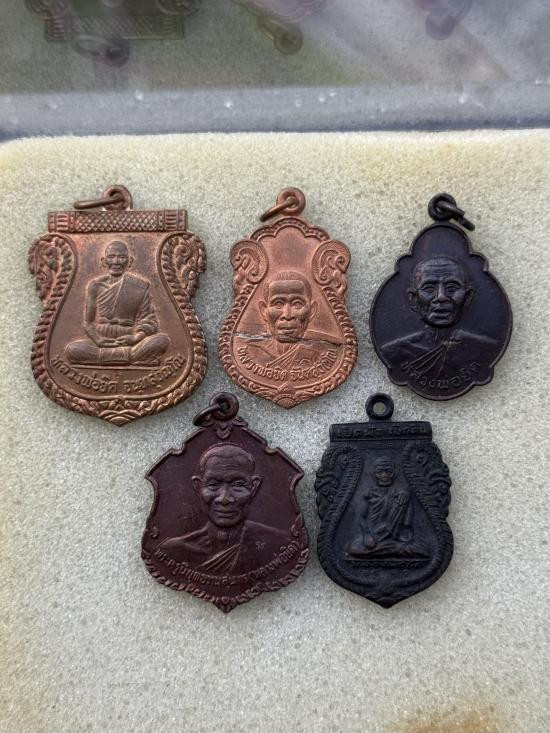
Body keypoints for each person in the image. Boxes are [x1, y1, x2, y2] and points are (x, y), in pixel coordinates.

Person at [158, 444, 290, 574]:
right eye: (213, 484)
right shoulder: (175, 550)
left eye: (238, 484)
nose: (224, 498)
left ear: (254, 487)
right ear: (198, 487)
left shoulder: (277, 543)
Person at [381, 257, 498, 380]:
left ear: (467, 297)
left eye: (452, 288)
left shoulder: (484, 349)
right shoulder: (397, 351)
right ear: (413, 299)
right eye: (429, 288)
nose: (441, 297)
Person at [65, 240, 170, 366]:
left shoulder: (140, 286)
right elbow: (88, 323)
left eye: (121, 257)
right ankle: (132, 357)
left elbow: (149, 320)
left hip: (130, 340)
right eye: (111, 257)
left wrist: (135, 338)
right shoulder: (95, 286)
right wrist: (98, 340)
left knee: (162, 340)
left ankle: (105, 358)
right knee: (72, 349)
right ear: (104, 261)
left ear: (129, 261)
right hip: (101, 341)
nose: (116, 262)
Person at [238, 271, 341, 372]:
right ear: (264, 310)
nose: (287, 315)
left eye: (297, 304)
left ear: (312, 311)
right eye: (278, 304)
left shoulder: (326, 350)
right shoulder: (252, 350)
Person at [348, 457, 426, 559]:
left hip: (396, 536)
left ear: (394, 473)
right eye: (380, 472)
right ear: (374, 474)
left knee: (422, 549)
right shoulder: (369, 493)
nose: (384, 475)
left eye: (388, 471)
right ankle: (393, 549)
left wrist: (406, 498)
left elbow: (407, 523)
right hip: (375, 535)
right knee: (354, 549)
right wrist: (367, 535)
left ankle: (387, 549)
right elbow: (361, 517)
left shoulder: (400, 494)